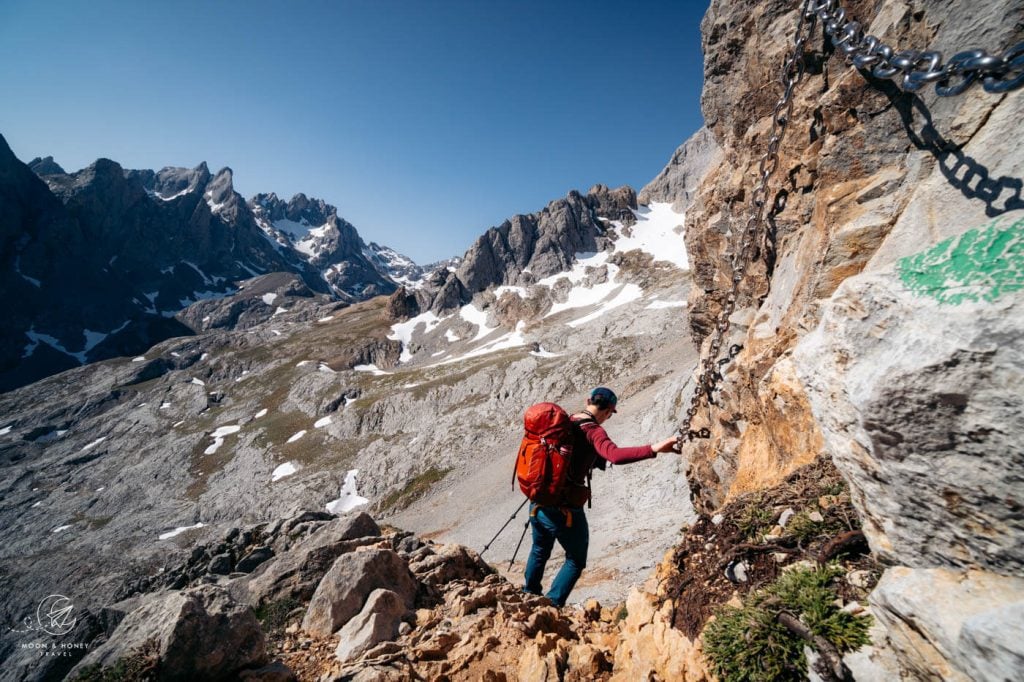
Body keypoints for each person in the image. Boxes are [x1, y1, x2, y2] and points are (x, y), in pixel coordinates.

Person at [522, 387, 680, 607]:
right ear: (608, 411)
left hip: (538, 500)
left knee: (540, 548)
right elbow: (614, 456)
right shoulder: (592, 430)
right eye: (610, 413)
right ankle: (552, 604)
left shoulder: (564, 422)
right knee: (576, 559)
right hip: (565, 509)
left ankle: (528, 593)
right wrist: (655, 448)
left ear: (589, 401)